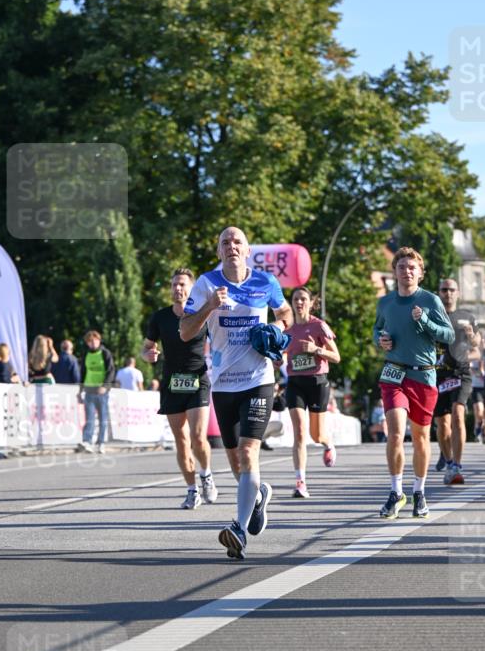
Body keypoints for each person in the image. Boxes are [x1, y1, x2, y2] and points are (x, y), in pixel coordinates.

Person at [180, 227, 293, 558]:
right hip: (224, 384)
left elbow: (285, 314)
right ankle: (257, 496)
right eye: (225, 243)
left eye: (237, 242)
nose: (231, 246)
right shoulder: (205, 284)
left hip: (258, 380)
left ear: (248, 251)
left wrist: (277, 328)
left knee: (248, 453)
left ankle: (239, 530)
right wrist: (209, 307)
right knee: (236, 463)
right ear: (219, 252)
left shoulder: (264, 282)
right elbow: (186, 332)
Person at [373, 247, 454, 519]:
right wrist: (380, 340)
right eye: (401, 267)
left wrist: (427, 320)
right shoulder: (385, 302)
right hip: (393, 373)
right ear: (394, 272)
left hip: (423, 374)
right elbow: (377, 329)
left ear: (420, 273)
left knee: (420, 437)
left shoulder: (430, 300)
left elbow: (449, 335)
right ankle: (396, 492)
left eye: (412, 268)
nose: (407, 271)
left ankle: (419, 491)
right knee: (395, 431)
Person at [142, 268, 218, 509]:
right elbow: (146, 348)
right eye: (174, 284)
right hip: (172, 382)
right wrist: (149, 356)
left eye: (182, 284)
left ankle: (206, 475)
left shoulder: (203, 314)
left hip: (197, 379)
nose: (177, 289)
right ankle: (191, 490)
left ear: (192, 288)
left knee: (197, 437)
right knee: (182, 441)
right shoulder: (160, 317)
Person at [285, 286, 341, 499]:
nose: (299, 303)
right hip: (295, 383)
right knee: (299, 432)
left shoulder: (319, 326)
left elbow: (336, 357)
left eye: (303, 299)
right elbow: (279, 354)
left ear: (310, 302)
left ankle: (327, 443)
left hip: (317, 382)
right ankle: (300, 483)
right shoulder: (287, 328)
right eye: (296, 299)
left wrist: (316, 350)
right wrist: (276, 359)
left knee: (315, 435)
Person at [433, 279, 479, 485]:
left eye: (452, 290)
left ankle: (456, 465)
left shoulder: (467, 316)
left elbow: (476, 343)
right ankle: (448, 457)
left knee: (458, 415)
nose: (448, 293)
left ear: (458, 293)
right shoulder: (431, 314)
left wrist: (471, 337)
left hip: (461, 372)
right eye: (444, 290)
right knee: (442, 424)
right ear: (439, 293)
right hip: (438, 375)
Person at [77, 330, 115, 454]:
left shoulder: (105, 353)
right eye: (89, 341)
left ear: (99, 341)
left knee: (103, 418)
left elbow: (110, 371)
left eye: (94, 340)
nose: (92, 343)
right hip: (89, 390)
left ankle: (101, 443)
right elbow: (83, 373)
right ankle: (87, 441)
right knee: (89, 418)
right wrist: (80, 390)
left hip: (102, 392)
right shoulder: (86, 355)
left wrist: (105, 386)